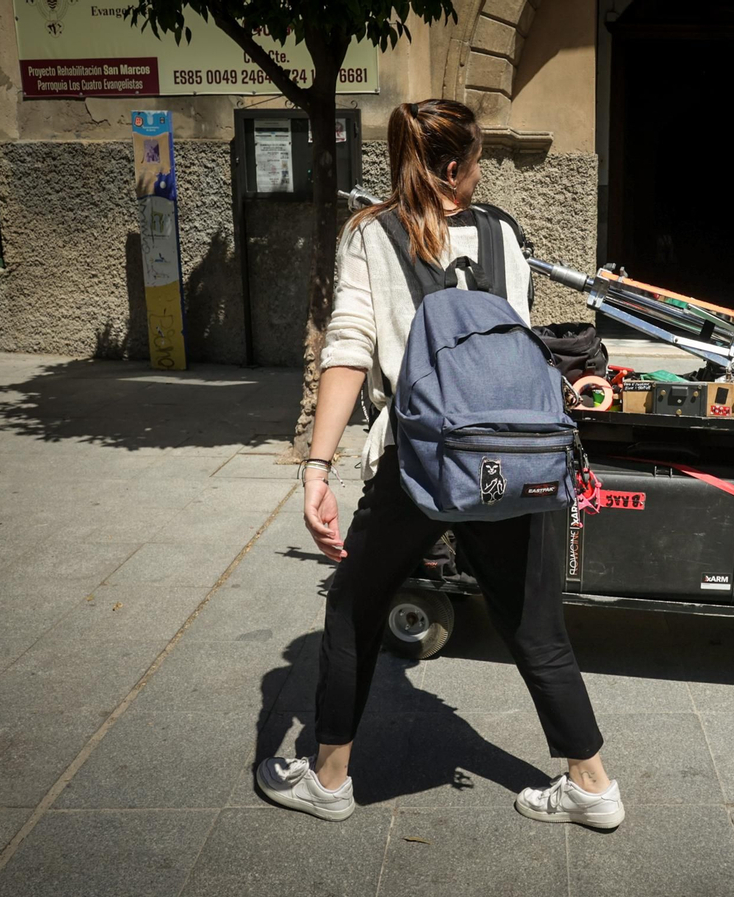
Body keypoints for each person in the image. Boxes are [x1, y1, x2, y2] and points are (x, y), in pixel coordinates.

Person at [254, 99, 624, 828]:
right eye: (477, 161)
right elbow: (512, 348)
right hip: (516, 462)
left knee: (355, 603)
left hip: (421, 461)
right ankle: (592, 783)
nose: (480, 174)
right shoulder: (504, 237)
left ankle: (329, 778)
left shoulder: (371, 235)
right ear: (457, 168)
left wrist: (317, 466)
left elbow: (349, 350)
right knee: (534, 622)